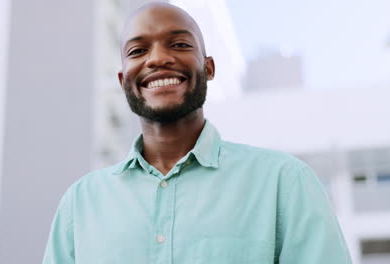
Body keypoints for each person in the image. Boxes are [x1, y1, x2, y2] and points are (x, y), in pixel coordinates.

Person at [43, 2, 352, 263]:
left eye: (179, 44)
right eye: (138, 50)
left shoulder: (284, 183)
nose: (157, 59)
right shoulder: (80, 203)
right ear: (124, 79)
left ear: (209, 68)